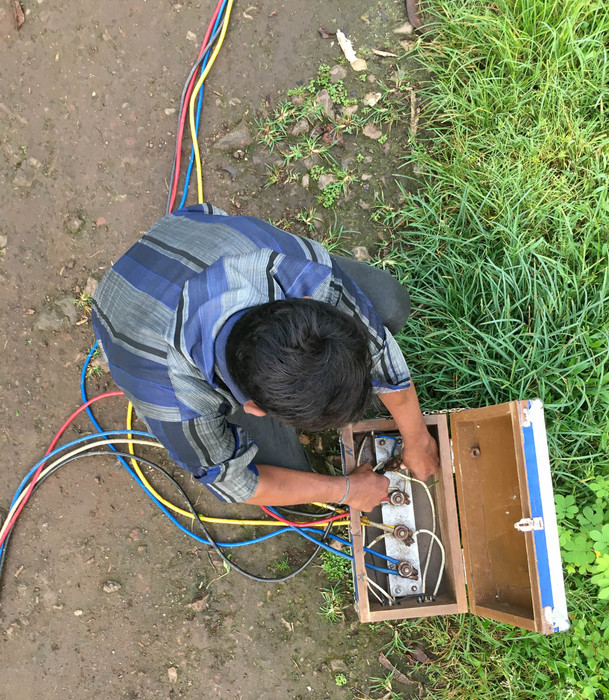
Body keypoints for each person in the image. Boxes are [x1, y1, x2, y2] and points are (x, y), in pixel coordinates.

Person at [91, 204, 439, 512]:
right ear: (253, 408)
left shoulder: (293, 266)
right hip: (122, 312)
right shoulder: (176, 402)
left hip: (186, 237)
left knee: (389, 304)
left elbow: (377, 345)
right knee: (289, 472)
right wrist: (346, 490)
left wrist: (418, 438)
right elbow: (235, 482)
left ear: (307, 305)